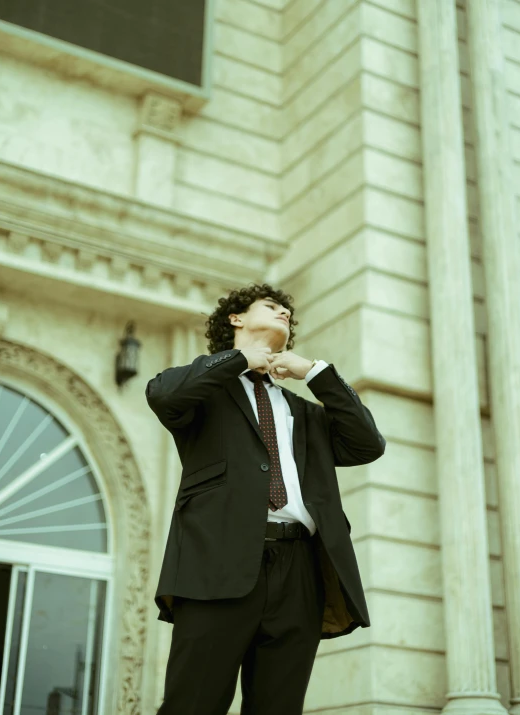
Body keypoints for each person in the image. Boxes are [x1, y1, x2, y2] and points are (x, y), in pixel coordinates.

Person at [145, 282, 386, 715]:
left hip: (301, 571)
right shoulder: (205, 395)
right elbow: (162, 393)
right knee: (193, 703)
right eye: (271, 306)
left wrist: (314, 372)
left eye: (287, 313)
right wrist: (239, 359)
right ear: (236, 319)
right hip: (219, 562)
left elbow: (368, 443)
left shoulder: (305, 412)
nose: (284, 314)